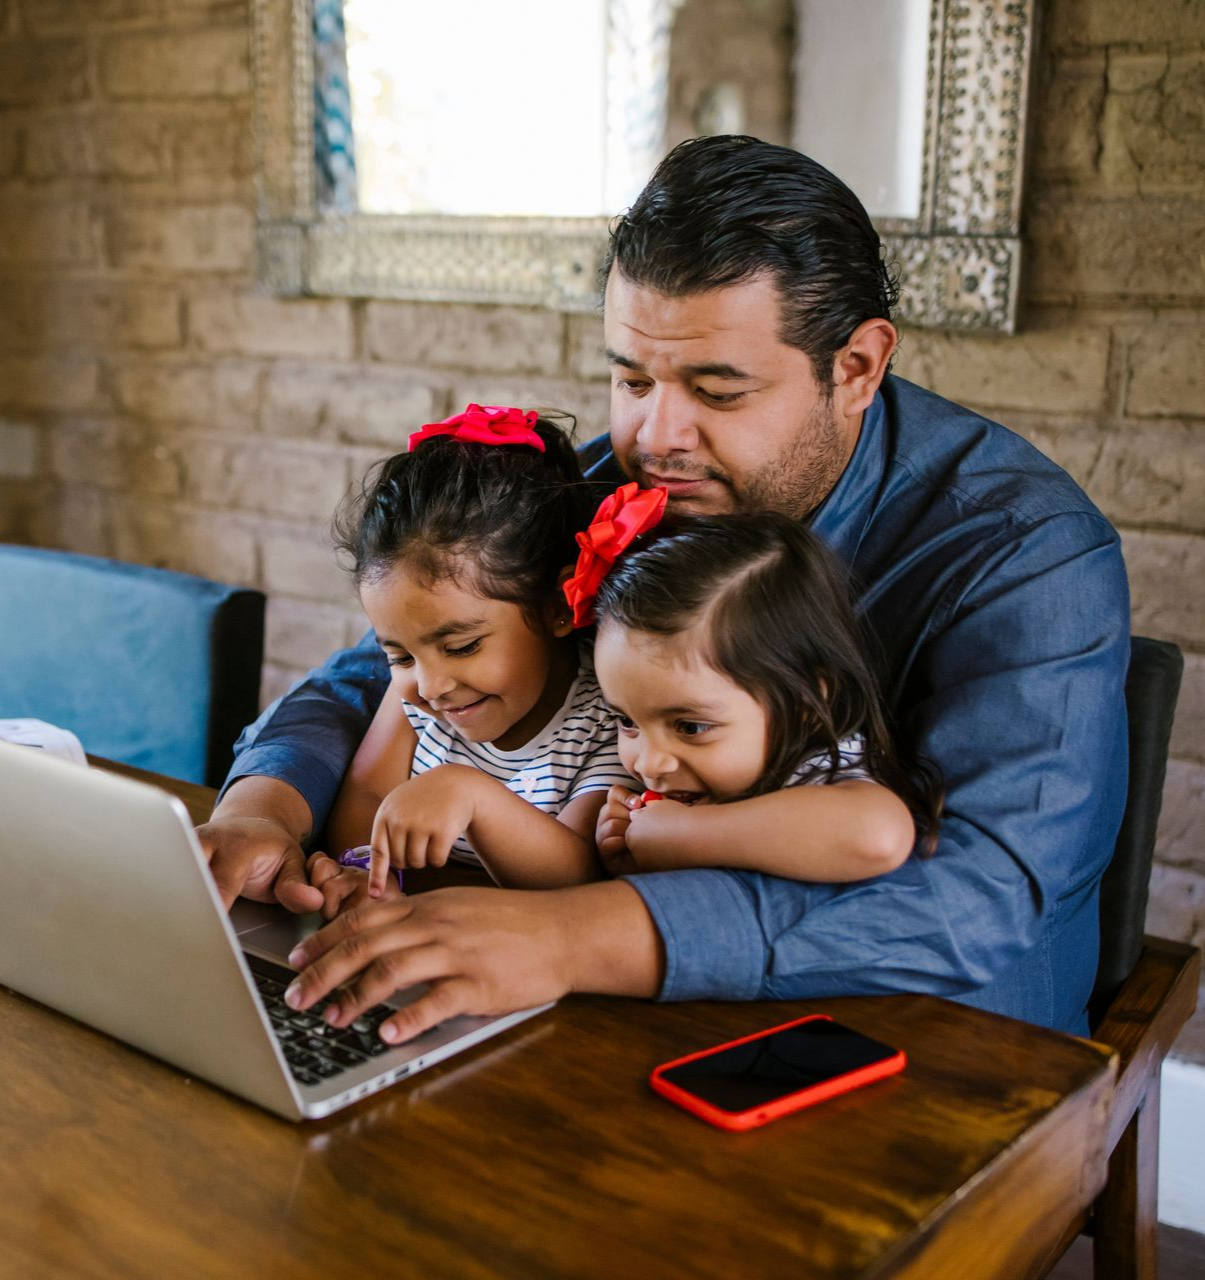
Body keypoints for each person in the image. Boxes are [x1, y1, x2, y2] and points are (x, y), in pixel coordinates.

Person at [202, 135, 1129, 1047]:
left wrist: (574, 936)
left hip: (936, 1049)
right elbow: (374, 672)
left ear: (855, 368)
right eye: (631, 377)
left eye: (716, 390)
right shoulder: (622, 487)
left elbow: (979, 900)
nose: (657, 435)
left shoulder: (1026, 551)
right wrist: (263, 808)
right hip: (619, 1015)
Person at [300, 403, 634, 917]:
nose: (431, 685)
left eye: (461, 647)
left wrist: (470, 796)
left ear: (559, 607)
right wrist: (363, 873)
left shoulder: (606, 715)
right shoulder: (421, 694)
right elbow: (367, 795)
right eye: (400, 654)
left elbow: (578, 878)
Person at [571, 495, 941, 882]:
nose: (648, 763)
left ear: (805, 704)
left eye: (690, 727)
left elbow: (878, 836)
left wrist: (686, 834)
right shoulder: (694, 781)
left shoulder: (817, 769)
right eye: (627, 720)